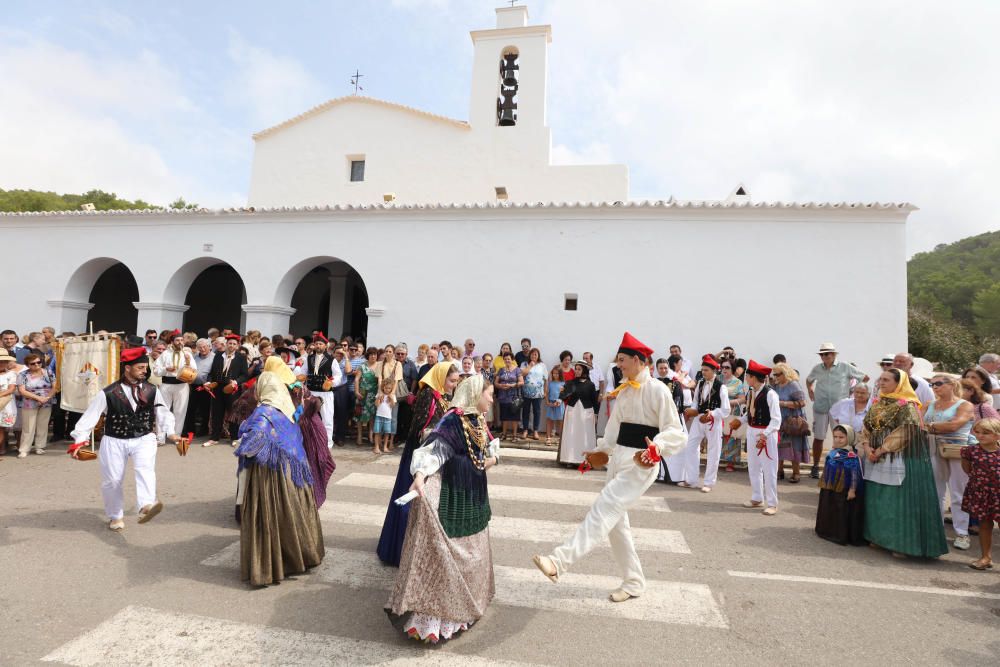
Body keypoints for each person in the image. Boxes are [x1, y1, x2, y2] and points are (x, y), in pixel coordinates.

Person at [533, 332, 686, 603]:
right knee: (616, 526)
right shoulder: (625, 389)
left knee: (604, 507)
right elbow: (614, 430)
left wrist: (657, 448)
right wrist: (601, 452)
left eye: (623, 361)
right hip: (618, 461)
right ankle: (634, 582)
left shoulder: (658, 390)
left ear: (639, 361)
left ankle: (559, 562)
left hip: (641, 462)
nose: (619, 366)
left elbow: (677, 431)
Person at [385, 374, 499, 643]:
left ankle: (464, 609)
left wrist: (490, 460)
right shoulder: (454, 419)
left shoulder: (478, 420)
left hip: (473, 494)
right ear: (475, 395)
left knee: (474, 548)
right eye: (489, 394)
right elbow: (435, 450)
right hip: (451, 492)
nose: (492, 399)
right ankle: (435, 620)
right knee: (443, 553)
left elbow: (491, 449)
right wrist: (420, 476)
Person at [234, 364, 324, 586]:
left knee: (269, 516)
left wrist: (242, 438)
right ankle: (301, 553)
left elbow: (252, 445)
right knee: (290, 514)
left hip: (268, 476)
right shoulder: (286, 411)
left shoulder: (264, 413)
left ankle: (269, 566)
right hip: (291, 474)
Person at [69, 347, 178, 531]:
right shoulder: (109, 393)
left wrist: (171, 432)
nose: (145, 370)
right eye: (141, 367)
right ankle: (115, 516)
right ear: (127, 368)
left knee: (145, 469)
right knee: (112, 480)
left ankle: (146, 505)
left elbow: (162, 411)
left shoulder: (152, 390)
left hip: (144, 438)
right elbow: (90, 417)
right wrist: (79, 441)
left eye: (145, 367)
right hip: (114, 439)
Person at [377, 361, 460, 566]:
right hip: (418, 457)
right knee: (411, 499)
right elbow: (419, 430)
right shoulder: (428, 395)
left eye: (456, 382)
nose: (453, 385)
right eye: (451, 381)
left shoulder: (441, 395)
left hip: (430, 457)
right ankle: (400, 549)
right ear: (441, 377)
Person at [861, 369, 947, 558]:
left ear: (899, 383)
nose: (881, 383)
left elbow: (907, 431)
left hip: (900, 456)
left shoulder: (907, 405)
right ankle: (879, 537)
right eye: (880, 379)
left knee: (897, 500)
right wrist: (867, 448)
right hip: (876, 455)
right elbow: (866, 427)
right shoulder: (877, 402)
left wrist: (882, 450)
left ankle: (901, 543)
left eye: (886, 380)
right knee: (878, 497)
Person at [923, 374, 975, 551]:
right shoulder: (930, 404)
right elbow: (917, 424)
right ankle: (935, 529)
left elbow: (955, 426)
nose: (934, 387)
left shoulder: (965, 405)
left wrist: (930, 426)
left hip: (957, 451)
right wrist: (941, 425)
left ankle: (962, 533)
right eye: (932, 384)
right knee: (935, 491)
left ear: (952, 384)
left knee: (958, 492)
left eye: (938, 383)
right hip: (933, 449)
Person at [806, 343, 869, 479]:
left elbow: (865, 378)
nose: (824, 356)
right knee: (818, 437)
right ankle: (816, 466)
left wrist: (855, 392)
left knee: (843, 438)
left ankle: (842, 467)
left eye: (827, 353)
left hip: (840, 408)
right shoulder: (817, 368)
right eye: (822, 354)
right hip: (821, 407)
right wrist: (810, 389)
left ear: (834, 354)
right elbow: (809, 379)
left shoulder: (845, 366)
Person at [734, 361, 783, 515]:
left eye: (748, 376)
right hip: (752, 431)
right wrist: (740, 421)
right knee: (754, 467)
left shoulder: (771, 394)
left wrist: (765, 434)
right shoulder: (751, 392)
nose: (746, 379)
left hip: (766, 434)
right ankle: (757, 497)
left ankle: (772, 503)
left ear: (753, 377)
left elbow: (776, 419)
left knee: (769, 469)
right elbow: (750, 412)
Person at [678, 354, 730, 492]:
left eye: (706, 370)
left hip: (713, 421)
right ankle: (691, 479)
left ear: (714, 371)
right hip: (699, 419)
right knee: (691, 447)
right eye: (702, 369)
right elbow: (696, 402)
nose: (703, 372)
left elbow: (726, 410)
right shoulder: (700, 383)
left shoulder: (721, 387)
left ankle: (708, 483)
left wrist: (711, 414)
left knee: (713, 450)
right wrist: (692, 410)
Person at [815, 424, 865, 545]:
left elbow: (854, 474)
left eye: (841, 437)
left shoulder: (851, 455)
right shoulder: (833, 452)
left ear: (850, 437)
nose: (837, 439)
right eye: (835, 437)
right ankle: (827, 531)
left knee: (841, 510)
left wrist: (852, 490)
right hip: (830, 487)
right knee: (830, 508)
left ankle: (840, 535)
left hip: (843, 489)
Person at [961, 418, 1000, 570]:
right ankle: (986, 557)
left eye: (986, 433)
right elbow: (967, 469)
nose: (980, 435)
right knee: (984, 525)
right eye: (977, 432)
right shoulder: (970, 451)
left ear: (997, 436)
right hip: (981, 493)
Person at [206, 334, 250, 447]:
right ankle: (214, 437)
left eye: (234, 344)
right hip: (217, 387)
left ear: (238, 345)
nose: (231, 346)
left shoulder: (241, 357)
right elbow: (212, 372)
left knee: (233, 413)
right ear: (226, 344)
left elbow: (245, 375)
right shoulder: (218, 355)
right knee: (217, 413)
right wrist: (209, 381)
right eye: (230, 343)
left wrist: (236, 382)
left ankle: (234, 437)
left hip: (232, 388)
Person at [153, 330, 196, 441]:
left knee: (180, 411)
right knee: (162, 409)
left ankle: (176, 435)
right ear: (172, 342)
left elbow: (194, 371)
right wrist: (165, 369)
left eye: (181, 340)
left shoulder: (187, 354)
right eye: (177, 340)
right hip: (166, 384)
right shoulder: (165, 354)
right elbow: (156, 370)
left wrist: (187, 363)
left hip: (182, 385)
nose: (180, 342)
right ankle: (160, 437)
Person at [773, 362, 809, 483]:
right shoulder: (776, 386)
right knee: (779, 446)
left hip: (793, 421)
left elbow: (802, 402)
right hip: (780, 420)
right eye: (775, 374)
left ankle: (796, 473)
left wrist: (783, 403)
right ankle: (779, 471)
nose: (776, 376)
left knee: (795, 446)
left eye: (778, 374)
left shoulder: (793, 385)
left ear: (785, 373)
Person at [557, 361, 598, 465]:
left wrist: (596, 414)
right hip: (572, 411)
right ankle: (569, 459)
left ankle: (584, 459)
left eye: (579, 369)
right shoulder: (570, 383)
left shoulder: (590, 385)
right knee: (571, 434)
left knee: (585, 435)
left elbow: (594, 400)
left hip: (586, 412)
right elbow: (565, 395)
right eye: (576, 369)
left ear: (584, 370)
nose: (576, 371)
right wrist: (560, 396)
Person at [16, 353, 55, 457]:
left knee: (43, 425)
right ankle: (24, 449)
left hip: (46, 402)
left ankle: (40, 446)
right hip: (29, 403)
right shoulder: (22, 375)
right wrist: (38, 398)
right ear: (28, 365)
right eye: (33, 363)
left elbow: (55, 387)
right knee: (28, 427)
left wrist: (46, 398)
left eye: (39, 362)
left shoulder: (48, 372)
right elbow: (22, 391)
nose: (37, 365)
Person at [305, 333, 340, 447]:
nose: (318, 346)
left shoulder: (332, 360)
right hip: (311, 393)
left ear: (326, 346)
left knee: (327, 420)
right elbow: (301, 372)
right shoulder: (309, 358)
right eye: (316, 344)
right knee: (308, 418)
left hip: (326, 394)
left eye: (321, 344)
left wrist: (331, 383)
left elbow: (338, 375)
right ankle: (310, 442)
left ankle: (327, 444)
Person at [720, 359, 746, 472]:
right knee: (718, 435)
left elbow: (742, 399)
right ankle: (717, 459)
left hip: (732, 411)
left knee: (731, 437)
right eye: (723, 367)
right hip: (718, 411)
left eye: (727, 367)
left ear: (733, 369)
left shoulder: (737, 382)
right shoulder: (717, 379)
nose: (724, 369)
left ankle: (730, 463)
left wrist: (729, 403)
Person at [185, 338, 215, 436]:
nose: (202, 349)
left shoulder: (214, 357)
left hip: (206, 387)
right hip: (193, 385)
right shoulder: (194, 357)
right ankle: (190, 430)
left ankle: (203, 431)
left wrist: (209, 383)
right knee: (191, 408)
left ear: (209, 347)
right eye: (200, 347)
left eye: (204, 347)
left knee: (205, 410)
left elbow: (214, 373)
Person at [519, 347, 547, 441]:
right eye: (532, 354)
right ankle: (525, 430)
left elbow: (546, 379)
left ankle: (535, 431)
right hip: (526, 392)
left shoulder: (542, 365)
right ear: (530, 355)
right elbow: (522, 374)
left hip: (538, 393)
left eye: (535, 354)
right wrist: (530, 366)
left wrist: (545, 391)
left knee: (537, 412)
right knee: (525, 411)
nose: (534, 356)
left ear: (538, 355)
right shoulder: (524, 363)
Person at [354, 347, 380, 445]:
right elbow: (357, 379)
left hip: (374, 394)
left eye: (375, 354)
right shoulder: (362, 366)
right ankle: (359, 435)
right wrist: (356, 391)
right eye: (371, 354)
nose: (373, 356)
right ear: (367, 356)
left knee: (373, 416)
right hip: (363, 393)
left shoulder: (379, 366)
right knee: (359, 415)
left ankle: (371, 435)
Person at [494, 351, 523, 441]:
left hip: (514, 397)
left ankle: (514, 435)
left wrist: (512, 385)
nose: (507, 360)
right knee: (504, 417)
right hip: (503, 397)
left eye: (509, 359)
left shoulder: (517, 370)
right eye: (505, 359)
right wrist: (501, 386)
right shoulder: (501, 370)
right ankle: (504, 434)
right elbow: (495, 383)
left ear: (512, 359)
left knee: (515, 417)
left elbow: (522, 382)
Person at [330, 344, 354, 446]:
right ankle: (329, 436)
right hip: (330, 388)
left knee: (342, 414)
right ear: (333, 353)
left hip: (341, 389)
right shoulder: (330, 362)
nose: (339, 355)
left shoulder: (345, 362)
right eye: (337, 353)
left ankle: (340, 437)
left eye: (341, 353)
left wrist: (345, 356)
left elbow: (348, 371)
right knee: (330, 413)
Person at [0, 350, 19, 457]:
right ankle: (2, 448)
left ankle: (2, 449)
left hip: (5, 404)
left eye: (4, 361)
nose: (1, 363)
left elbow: (11, 389)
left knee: (1, 428)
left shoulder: (12, 374)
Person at [373, 378, 397, 455]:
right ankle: (376, 447)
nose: (387, 389)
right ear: (383, 387)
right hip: (379, 416)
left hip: (388, 417)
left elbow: (393, 406)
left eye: (389, 388)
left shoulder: (392, 396)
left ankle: (385, 447)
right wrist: (379, 398)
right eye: (386, 388)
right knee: (377, 431)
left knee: (387, 432)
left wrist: (391, 400)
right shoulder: (379, 394)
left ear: (392, 388)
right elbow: (376, 405)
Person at [545, 367, 565, 444]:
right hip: (551, 403)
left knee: (560, 421)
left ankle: (560, 438)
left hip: (559, 404)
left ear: (560, 374)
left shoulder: (563, 383)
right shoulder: (550, 383)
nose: (555, 375)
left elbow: (564, 395)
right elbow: (546, 393)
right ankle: (548, 438)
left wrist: (559, 401)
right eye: (554, 373)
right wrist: (547, 402)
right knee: (549, 420)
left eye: (557, 373)